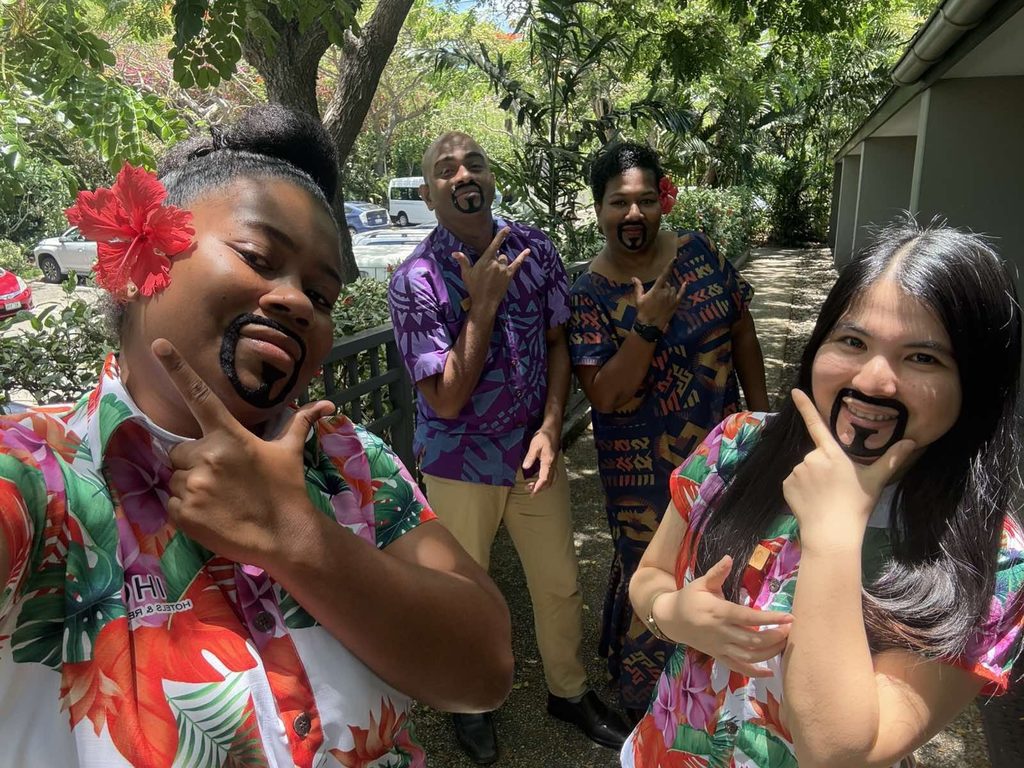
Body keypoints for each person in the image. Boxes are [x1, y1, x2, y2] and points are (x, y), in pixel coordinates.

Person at [0, 105, 514, 767]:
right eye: (257, 257)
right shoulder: (35, 476)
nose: (296, 301)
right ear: (137, 262)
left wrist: (294, 534)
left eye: (322, 296)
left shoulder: (350, 460)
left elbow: (485, 669)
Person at [622, 218, 1024, 767]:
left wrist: (833, 534)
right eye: (853, 342)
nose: (872, 381)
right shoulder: (738, 445)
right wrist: (674, 614)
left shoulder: (994, 561)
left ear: (976, 386)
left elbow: (836, 753)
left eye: (923, 357)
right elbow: (649, 575)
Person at [388, 131, 630, 764]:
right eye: (446, 170)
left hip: (530, 452)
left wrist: (551, 427)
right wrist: (484, 305)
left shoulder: (536, 249)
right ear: (429, 194)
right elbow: (445, 398)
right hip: (460, 461)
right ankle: (469, 700)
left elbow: (557, 343)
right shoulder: (415, 280)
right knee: (463, 593)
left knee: (559, 581)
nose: (463, 175)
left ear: (491, 178)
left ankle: (568, 692)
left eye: (474, 163)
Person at [568, 142, 769, 717]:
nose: (633, 214)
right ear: (599, 209)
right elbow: (605, 394)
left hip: (720, 449)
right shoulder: (588, 295)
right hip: (639, 471)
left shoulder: (699, 254)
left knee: (721, 555)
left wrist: (763, 424)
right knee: (652, 570)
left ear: (663, 201)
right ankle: (653, 702)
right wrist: (647, 326)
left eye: (645, 200)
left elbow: (743, 332)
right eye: (618, 202)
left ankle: (717, 684)